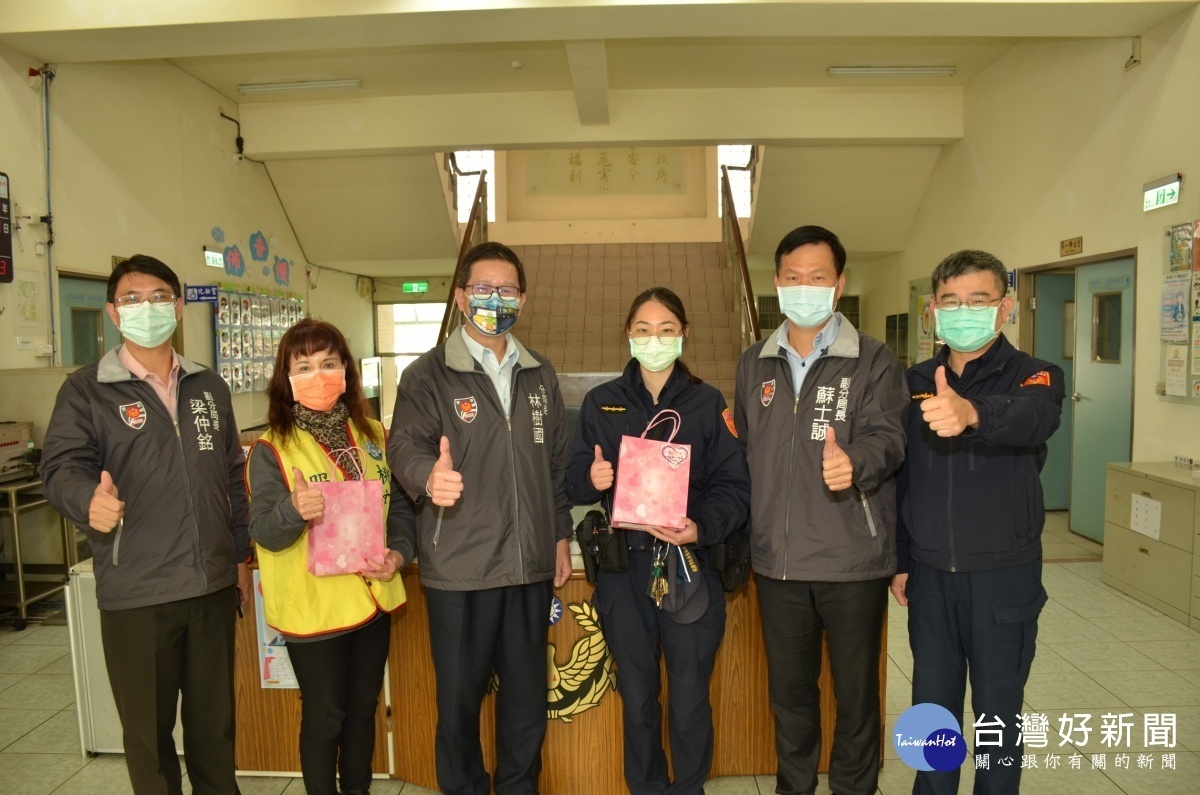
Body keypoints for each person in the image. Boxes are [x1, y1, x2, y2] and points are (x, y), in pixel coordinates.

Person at [41, 254, 251, 795]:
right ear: (114, 313)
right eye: (132, 300)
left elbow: (231, 477)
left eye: (159, 296)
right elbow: (61, 468)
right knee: (149, 741)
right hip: (137, 591)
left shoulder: (208, 386)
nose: (147, 308)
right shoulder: (87, 390)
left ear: (178, 307)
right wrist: (87, 499)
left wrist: (242, 557)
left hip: (210, 584)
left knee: (214, 731)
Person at [387, 241, 573, 795]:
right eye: (484, 289)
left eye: (508, 289)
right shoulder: (427, 376)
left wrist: (560, 534)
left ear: (522, 297)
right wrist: (428, 477)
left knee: (525, 708)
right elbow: (404, 447)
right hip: (461, 568)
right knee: (460, 706)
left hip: (529, 566)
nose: (497, 298)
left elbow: (556, 466)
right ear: (463, 296)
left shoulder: (540, 374)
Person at [734, 225, 907, 795]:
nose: (804, 287)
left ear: (839, 284)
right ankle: (795, 786)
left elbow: (890, 438)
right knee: (790, 694)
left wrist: (855, 461)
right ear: (776, 282)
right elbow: (747, 448)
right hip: (778, 562)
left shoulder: (875, 361)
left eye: (818, 278)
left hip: (850, 560)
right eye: (792, 278)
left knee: (855, 694)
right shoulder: (754, 363)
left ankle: (856, 789)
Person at [893, 250, 1064, 795]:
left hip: (1002, 579)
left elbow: (1032, 420)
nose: (962, 311)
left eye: (978, 300)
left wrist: (972, 413)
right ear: (933, 311)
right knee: (933, 718)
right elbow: (903, 478)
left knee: (997, 721)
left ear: (1005, 307)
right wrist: (901, 562)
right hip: (930, 580)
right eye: (950, 301)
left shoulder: (1035, 376)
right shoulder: (915, 379)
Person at [566, 287, 750, 795]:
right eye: (643, 330)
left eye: (666, 329)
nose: (654, 339)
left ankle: (688, 787)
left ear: (684, 334)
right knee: (639, 694)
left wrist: (700, 526)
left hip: (690, 566)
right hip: (625, 569)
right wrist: (593, 478)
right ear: (628, 335)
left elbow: (734, 487)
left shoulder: (707, 402)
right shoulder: (601, 401)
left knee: (690, 697)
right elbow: (573, 479)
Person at [245, 318, 412, 795]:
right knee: (325, 715)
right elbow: (263, 533)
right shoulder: (272, 449)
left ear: (346, 370)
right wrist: (293, 509)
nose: (319, 374)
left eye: (329, 363)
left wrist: (399, 554)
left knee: (363, 709)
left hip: (371, 597)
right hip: (314, 609)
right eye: (304, 366)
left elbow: (397, 507)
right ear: (286, 378)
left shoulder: (374, 434)